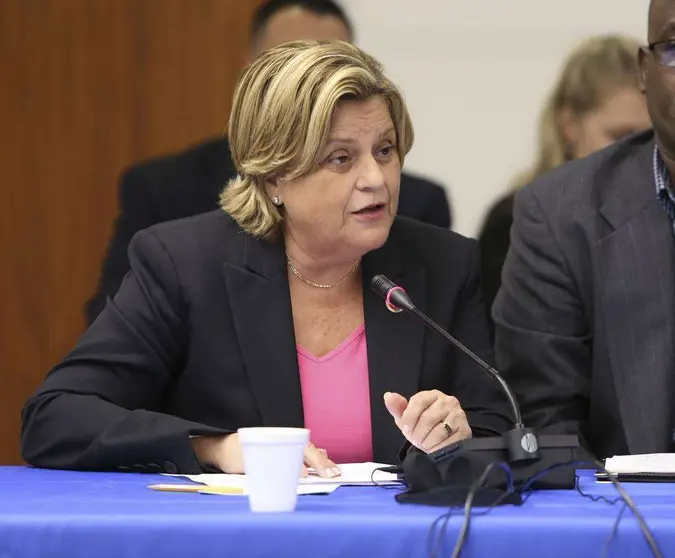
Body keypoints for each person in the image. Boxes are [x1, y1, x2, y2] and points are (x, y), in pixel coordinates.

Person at [21, 41, 509, 476]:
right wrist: (216, 447)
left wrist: (457, 437)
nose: (376, 179)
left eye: (384, 150)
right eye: (341, 158)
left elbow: (500, 426)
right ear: (274, 176)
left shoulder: (443, 264)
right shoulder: (184, 265)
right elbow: (56, 417)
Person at [85, 0, 452, 325]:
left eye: (330, 62)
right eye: (292, 65)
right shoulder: (166, 201)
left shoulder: (420, 208)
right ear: (251, 76)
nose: (315, 83)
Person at [494, 0, 675, 460]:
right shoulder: (558, 215)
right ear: (644, 69)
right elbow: (544, 421)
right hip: (628, 518)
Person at [478, 35, 651, 333]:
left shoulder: (657, 215)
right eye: (621, 135)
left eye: (650, 138)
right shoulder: (513, 223)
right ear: (569, 124)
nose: (640, 152)